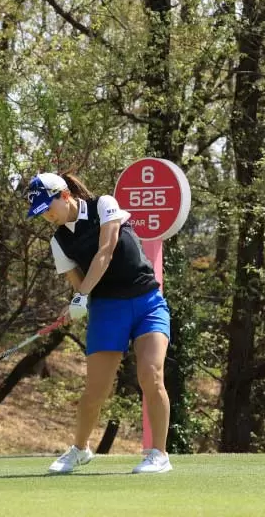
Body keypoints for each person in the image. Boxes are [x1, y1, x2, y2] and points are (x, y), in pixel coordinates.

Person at [26, 172, 173, 474]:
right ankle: (80, 449)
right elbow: (77, 282)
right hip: (107, 310)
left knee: (151, 375)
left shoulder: (103, 205)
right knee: (95, 390)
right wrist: (79, 303)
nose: (46, 216)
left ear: (64, 195)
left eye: (47, 207)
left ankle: (159, 454)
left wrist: (81, 295)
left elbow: (106, 251)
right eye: (40, 213)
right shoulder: (59, 242)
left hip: (147, 302)